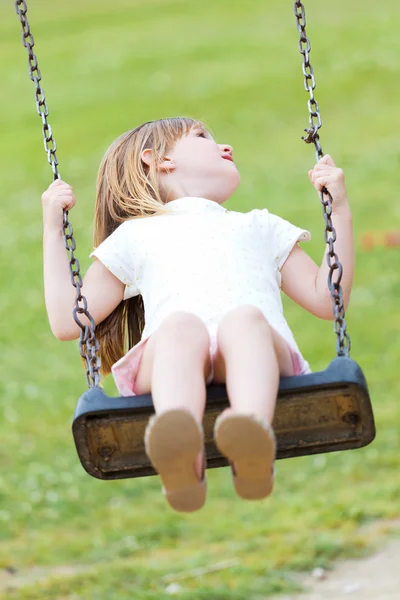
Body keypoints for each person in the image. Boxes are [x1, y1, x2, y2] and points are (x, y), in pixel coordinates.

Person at [42, 117, 354, 513]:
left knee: (244, 319)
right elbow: (69, 320)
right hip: (171, 361)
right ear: (158, 161)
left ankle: (252, 440)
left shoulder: (260, 226)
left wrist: (338, 209)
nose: (227, 147)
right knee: (179, 327)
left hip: (254, 354)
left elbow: (329, 300)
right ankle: (180, 456)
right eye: (204, 137)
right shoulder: (136, 235)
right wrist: (53, 230)